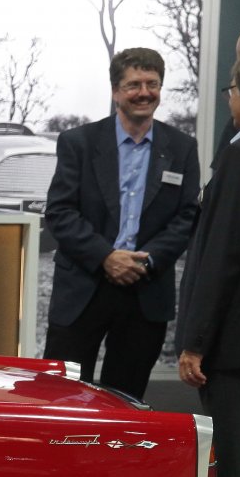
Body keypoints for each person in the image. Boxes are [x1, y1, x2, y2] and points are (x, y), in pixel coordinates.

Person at [42, 48, 200, 400]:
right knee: (61, 398)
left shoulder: (182, 148)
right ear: (115, 91)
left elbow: (187, 216)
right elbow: (60, 211)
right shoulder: (79, 143)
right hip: (84, 287)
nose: (144, 93)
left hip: (145, 291)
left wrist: (148, 260)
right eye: (134, 85)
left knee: (125, 403)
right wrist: (106, 256)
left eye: (152, 84)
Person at [174, 55, 240, 477]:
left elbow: (221, 256)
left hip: (233, 347)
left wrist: (195, 340)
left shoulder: (239, 156)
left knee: (238, 465)